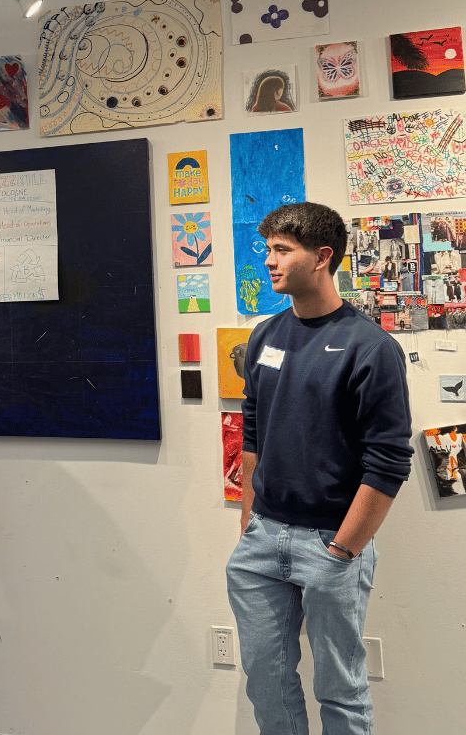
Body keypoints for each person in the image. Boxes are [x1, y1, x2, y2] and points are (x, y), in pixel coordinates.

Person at [225, 202, 412, 735]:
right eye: (268, 249)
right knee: (266, 683)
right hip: (262, 543)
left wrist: (344, 550)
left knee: (340, 689)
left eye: (282, 250)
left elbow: (389, 461)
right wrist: (249, 522)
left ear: (322, 257)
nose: (269, 261)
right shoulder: (264, 336)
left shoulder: (370, 347)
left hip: (331, 543)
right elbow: (253, 432)